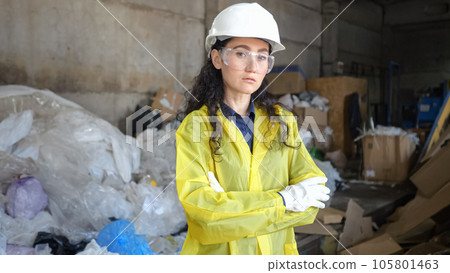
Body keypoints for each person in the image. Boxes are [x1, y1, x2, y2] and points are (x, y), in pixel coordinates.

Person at [175, 2, 330, 255]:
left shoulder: (282, 121)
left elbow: (313, 198)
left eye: (262, 56)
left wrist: (230, 209)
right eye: (241, 53)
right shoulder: (196, 127)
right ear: (217, 58)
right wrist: (284, 200)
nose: (253, 66)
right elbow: (204, 216)